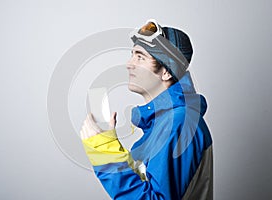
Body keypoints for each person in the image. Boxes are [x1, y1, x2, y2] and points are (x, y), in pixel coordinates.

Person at [80, 19, 213, 200]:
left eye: (140, 57)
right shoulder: (161, 124)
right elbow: (143, 185)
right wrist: (110, 148)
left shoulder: (179, 123)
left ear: (166, 71)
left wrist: (104, 153)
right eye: (132, 54)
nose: (129, 63)